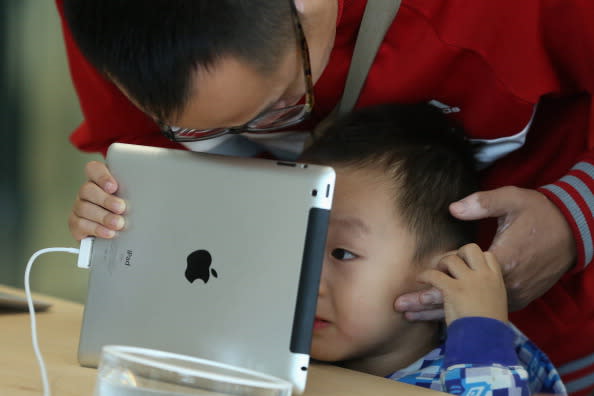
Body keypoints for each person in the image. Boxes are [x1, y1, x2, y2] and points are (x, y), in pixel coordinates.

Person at [56, 1, 594, 393]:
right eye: (190, 132)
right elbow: (135, 146)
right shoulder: (121, 18)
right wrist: (130, 208)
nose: (304, 276)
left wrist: (576, 215)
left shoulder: (507, 14)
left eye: (279, 106)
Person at [301, 103, 565, 395]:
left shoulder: (481, 370)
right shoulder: (273, 345)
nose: (304, 279)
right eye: (293, 243)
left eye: (343, 253)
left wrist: (481, 335)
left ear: (444, 274)